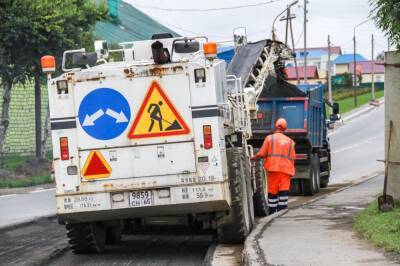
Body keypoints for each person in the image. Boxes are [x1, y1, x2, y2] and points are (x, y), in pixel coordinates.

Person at [251, 118, 296, 215]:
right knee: (283, 191)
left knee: (272, 192)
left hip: (273, 169)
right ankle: (282, 211)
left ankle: (272, 213)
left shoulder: (269, 138)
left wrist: (254, 157)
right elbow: (293, 157)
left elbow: (262, 154)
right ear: (285, 128)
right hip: (286, 170)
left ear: (276, 126)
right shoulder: (290, 142)